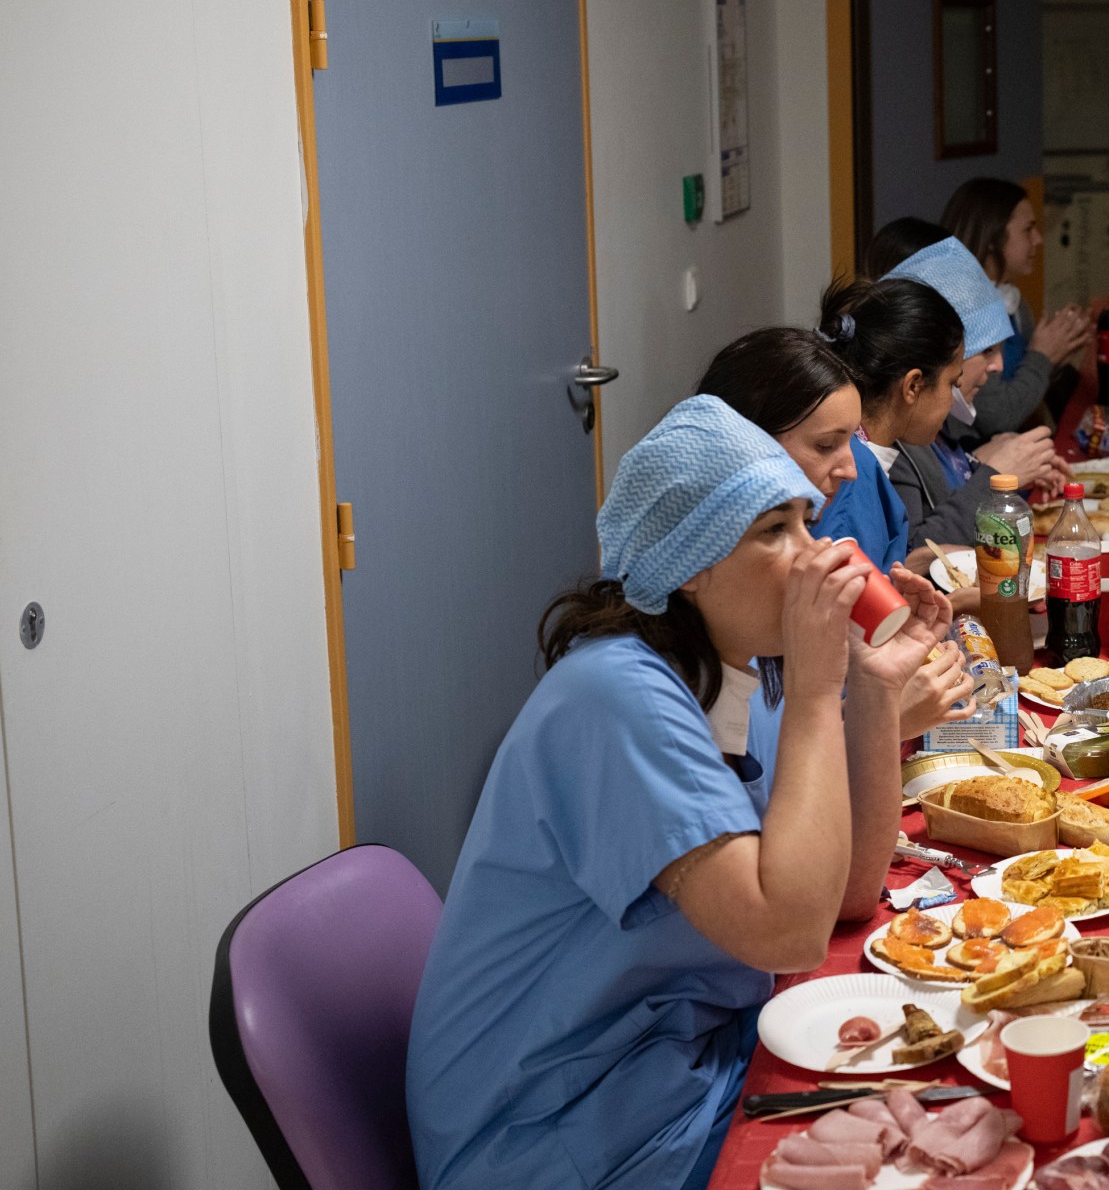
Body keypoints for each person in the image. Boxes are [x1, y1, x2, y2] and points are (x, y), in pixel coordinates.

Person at [407, 396, 953, 1190]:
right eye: (776, 531)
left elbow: (845, 895)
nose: (811, 557)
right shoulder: (615, 696)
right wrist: (814, 691)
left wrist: (869, 693)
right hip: (554, 1132)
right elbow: (790, 934)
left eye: (806, 522)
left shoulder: (743, 669)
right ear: (691, 563)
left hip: (676, 1063)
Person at [698, 326, 975, 744]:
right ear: (745, 445)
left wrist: (877, 685)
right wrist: (880, 716)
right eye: (827, 445)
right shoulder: (703, 656)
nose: (850, 469)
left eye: (805, 527)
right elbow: (786, 790)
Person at [817, 277, 1060, 570]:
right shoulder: (852, 474)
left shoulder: (869, 460)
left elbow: (890, 567)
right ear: (913, 386)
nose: (953, 399)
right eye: (951, 384)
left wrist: (919, 563)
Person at [882, 237, 1068, 499]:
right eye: (987, 350)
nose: (999, 366)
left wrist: (982, 462)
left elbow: (949, 483)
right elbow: (922, 539)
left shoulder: (939, 425)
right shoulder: (902, 440)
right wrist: (991, 474)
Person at [941, 178, 1092, 435]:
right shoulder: (964, 309)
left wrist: (1055, 357)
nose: (1038, 239)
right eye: (1028, 229)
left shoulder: (1013, 301)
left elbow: (1022, 387)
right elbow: (996, 418)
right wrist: (1042, 357)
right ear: (992, 237)